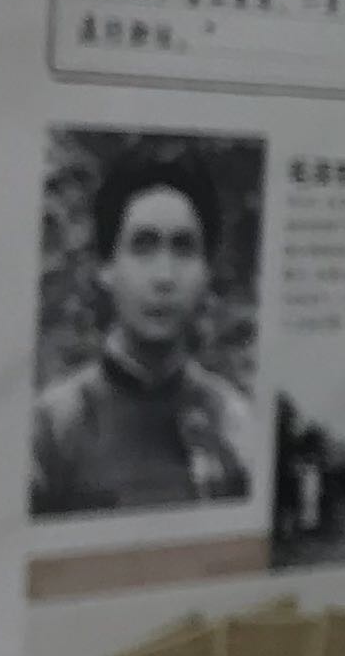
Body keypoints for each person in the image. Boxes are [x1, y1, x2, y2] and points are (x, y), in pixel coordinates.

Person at [32, 145, 258, 514]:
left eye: (183, 249)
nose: (164, 277)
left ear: (207, 271)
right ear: (106, 267)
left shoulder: (235, 425)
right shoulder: (53, 428)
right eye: (143, 246)